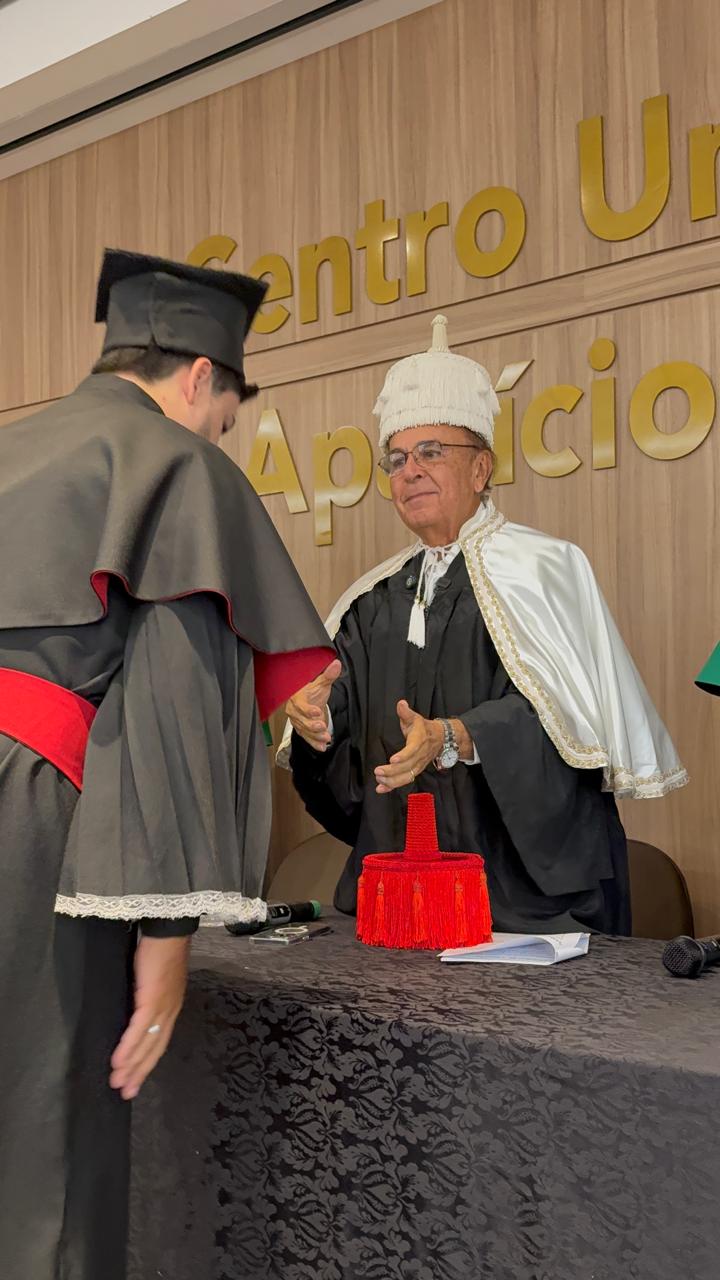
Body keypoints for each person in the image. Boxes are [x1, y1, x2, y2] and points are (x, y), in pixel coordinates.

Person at [0, 248, 334, 1280]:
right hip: (41, 818)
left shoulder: (13, 449)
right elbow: (174, 710)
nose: (216, 435)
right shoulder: (175, 467)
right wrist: (168, 934)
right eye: (225, 417)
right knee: (46, 1153)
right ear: (199, 378)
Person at [281, 314, 687, 936]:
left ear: (480, 469)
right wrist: (318, 719)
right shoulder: (371, 600)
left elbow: (571, 726)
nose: (410, 470)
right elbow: (345, 713)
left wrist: (458, 736)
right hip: (407, 903)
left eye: (431, 452)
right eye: (397, 458)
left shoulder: (545, 569)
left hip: (525, 903)